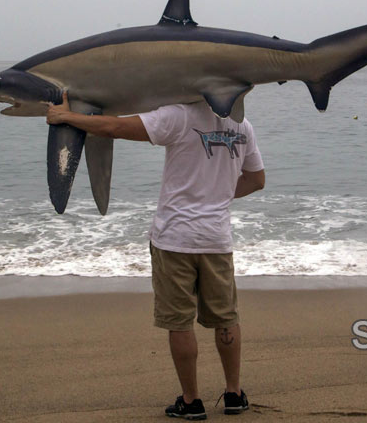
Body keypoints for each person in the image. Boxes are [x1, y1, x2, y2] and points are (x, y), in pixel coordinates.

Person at [47, 91, 265, 420]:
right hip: (217, 239)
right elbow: (257, 180)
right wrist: (217, 193)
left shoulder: (178, 116)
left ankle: (191, 401)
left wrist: (66, 118)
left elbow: (114, 127)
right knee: (226, 318)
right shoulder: (241, 125)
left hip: (175, 239)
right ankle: (234, 394)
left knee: (179, 322)